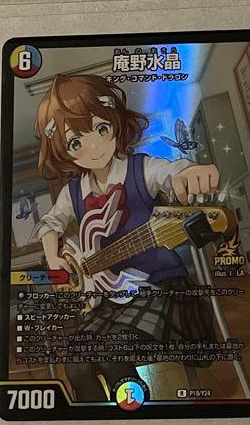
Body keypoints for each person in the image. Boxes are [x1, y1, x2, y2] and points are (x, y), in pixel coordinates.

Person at [32, 73, 220, 402]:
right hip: (110, 299)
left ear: (115, 123)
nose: (92, 147)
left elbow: (171, 171)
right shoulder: (72, 192)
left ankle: (137, 417)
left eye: (101, 128)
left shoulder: (140, 169)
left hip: (161, 289)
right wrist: (53, 258)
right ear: (64, 151)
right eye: (75, 143)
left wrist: (191, 172)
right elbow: (50, 223)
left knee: (111, 354)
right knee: (76, 365)